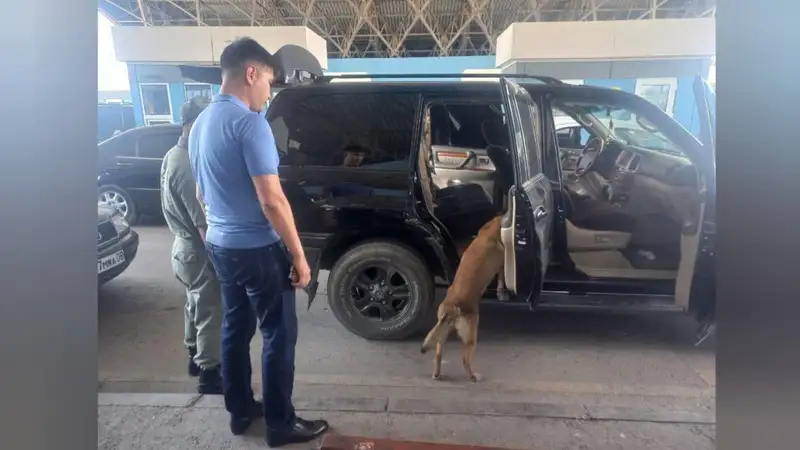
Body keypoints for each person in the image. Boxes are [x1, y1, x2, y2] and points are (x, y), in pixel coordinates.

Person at [188, 37, 329, 447]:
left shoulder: (201, 123)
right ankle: (280, 424)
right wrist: (300, 258)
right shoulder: (250, 124)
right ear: (251, 73)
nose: (270, 90)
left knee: (235, 327)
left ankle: (240, 410)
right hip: (256, 249)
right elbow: (272, 200)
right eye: (269, 79)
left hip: (220, 243)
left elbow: (201, 193)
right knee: (278, 334)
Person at [159, 96, 222, 395]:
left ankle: (193, 357)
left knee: (193, 304)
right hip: (195, 249)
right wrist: (221, 260)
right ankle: (209, 374)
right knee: (211, 310)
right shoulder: (186, 165)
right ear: (189, 124)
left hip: (182, 250)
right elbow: (203, 225)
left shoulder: (173, 154)